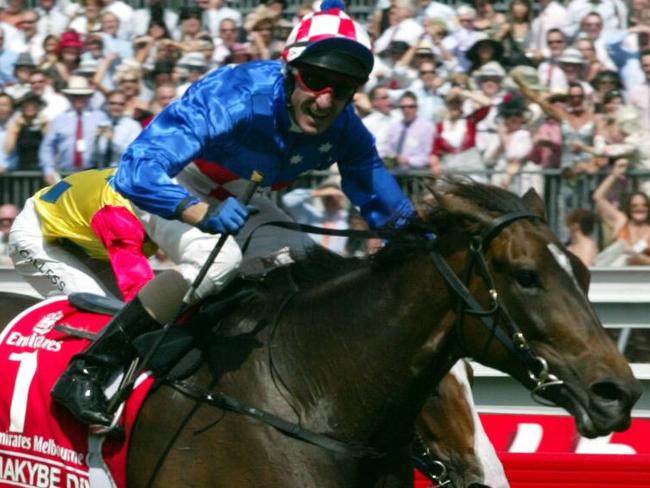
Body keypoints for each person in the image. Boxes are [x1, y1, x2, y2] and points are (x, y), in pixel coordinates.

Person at [51, 0, 419, 427]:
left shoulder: (346, 128)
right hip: (172, 184)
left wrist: (425, 239)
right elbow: (137, 172)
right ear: (289, 66)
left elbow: (385, 202)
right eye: (315, 80)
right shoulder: (236, 94)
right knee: (219, 262)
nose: (324, 100)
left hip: (242, 196)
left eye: (342, 88)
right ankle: (91, 367)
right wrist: (198, 210)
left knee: (306, 259)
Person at [9, 168, 156, 300]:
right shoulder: (118, 216)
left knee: (124, 309)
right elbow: (137, 284)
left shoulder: (149, 178)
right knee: (97, 307)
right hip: (37, 234)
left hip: (81, 236)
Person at [39, 75, 109, 184]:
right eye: (75, 96)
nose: (78, 99)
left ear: (88, 97)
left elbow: (109, 145)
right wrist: (48, 170)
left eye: (82, 96)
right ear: (69, 97)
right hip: (65, 174)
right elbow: (47, 146)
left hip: (94, 174)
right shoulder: (59, 119)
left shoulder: (100, 117)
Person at [593, 158, 650, 265]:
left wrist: (639, 257)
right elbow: (598, 197)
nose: (640, 208)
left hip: (644, 276)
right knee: (621, 246)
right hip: (616, 270)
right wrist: (614, 175)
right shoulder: (622, 221)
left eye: (645, 205)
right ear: (629, 208)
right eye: (634, 206)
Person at [281, 177, 350, 255]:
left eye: (336, 195)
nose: (332, 200)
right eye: (328, 197)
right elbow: (287, 200)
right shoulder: (311, 215)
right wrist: (315, 193)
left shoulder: (346, 218)